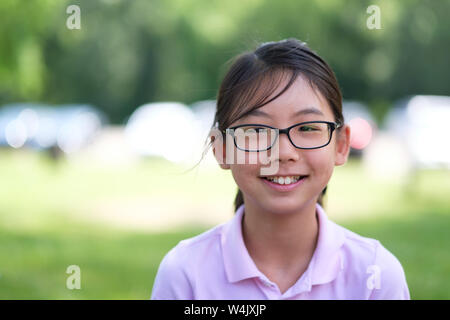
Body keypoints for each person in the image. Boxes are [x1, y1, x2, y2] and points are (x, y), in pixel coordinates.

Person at [150, 38, 410, 300]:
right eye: (257, 131)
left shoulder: (375, 276)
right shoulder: (186, 273)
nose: (283, 153)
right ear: (221, 148)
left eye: (308, 128)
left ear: (341, 144)